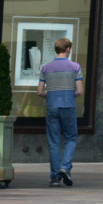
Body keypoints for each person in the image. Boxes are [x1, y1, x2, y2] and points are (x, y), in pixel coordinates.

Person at [38, 37, 83, 187]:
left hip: (52, 106)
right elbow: (80, 91)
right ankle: (65, 167)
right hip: (69, 106)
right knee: (71, 138)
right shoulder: (75, 67)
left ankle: (55, 177)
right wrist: (70, 94)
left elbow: (39, 92)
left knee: (54, 142)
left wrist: (51, 94)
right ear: (68, 49)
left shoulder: (46, 68)